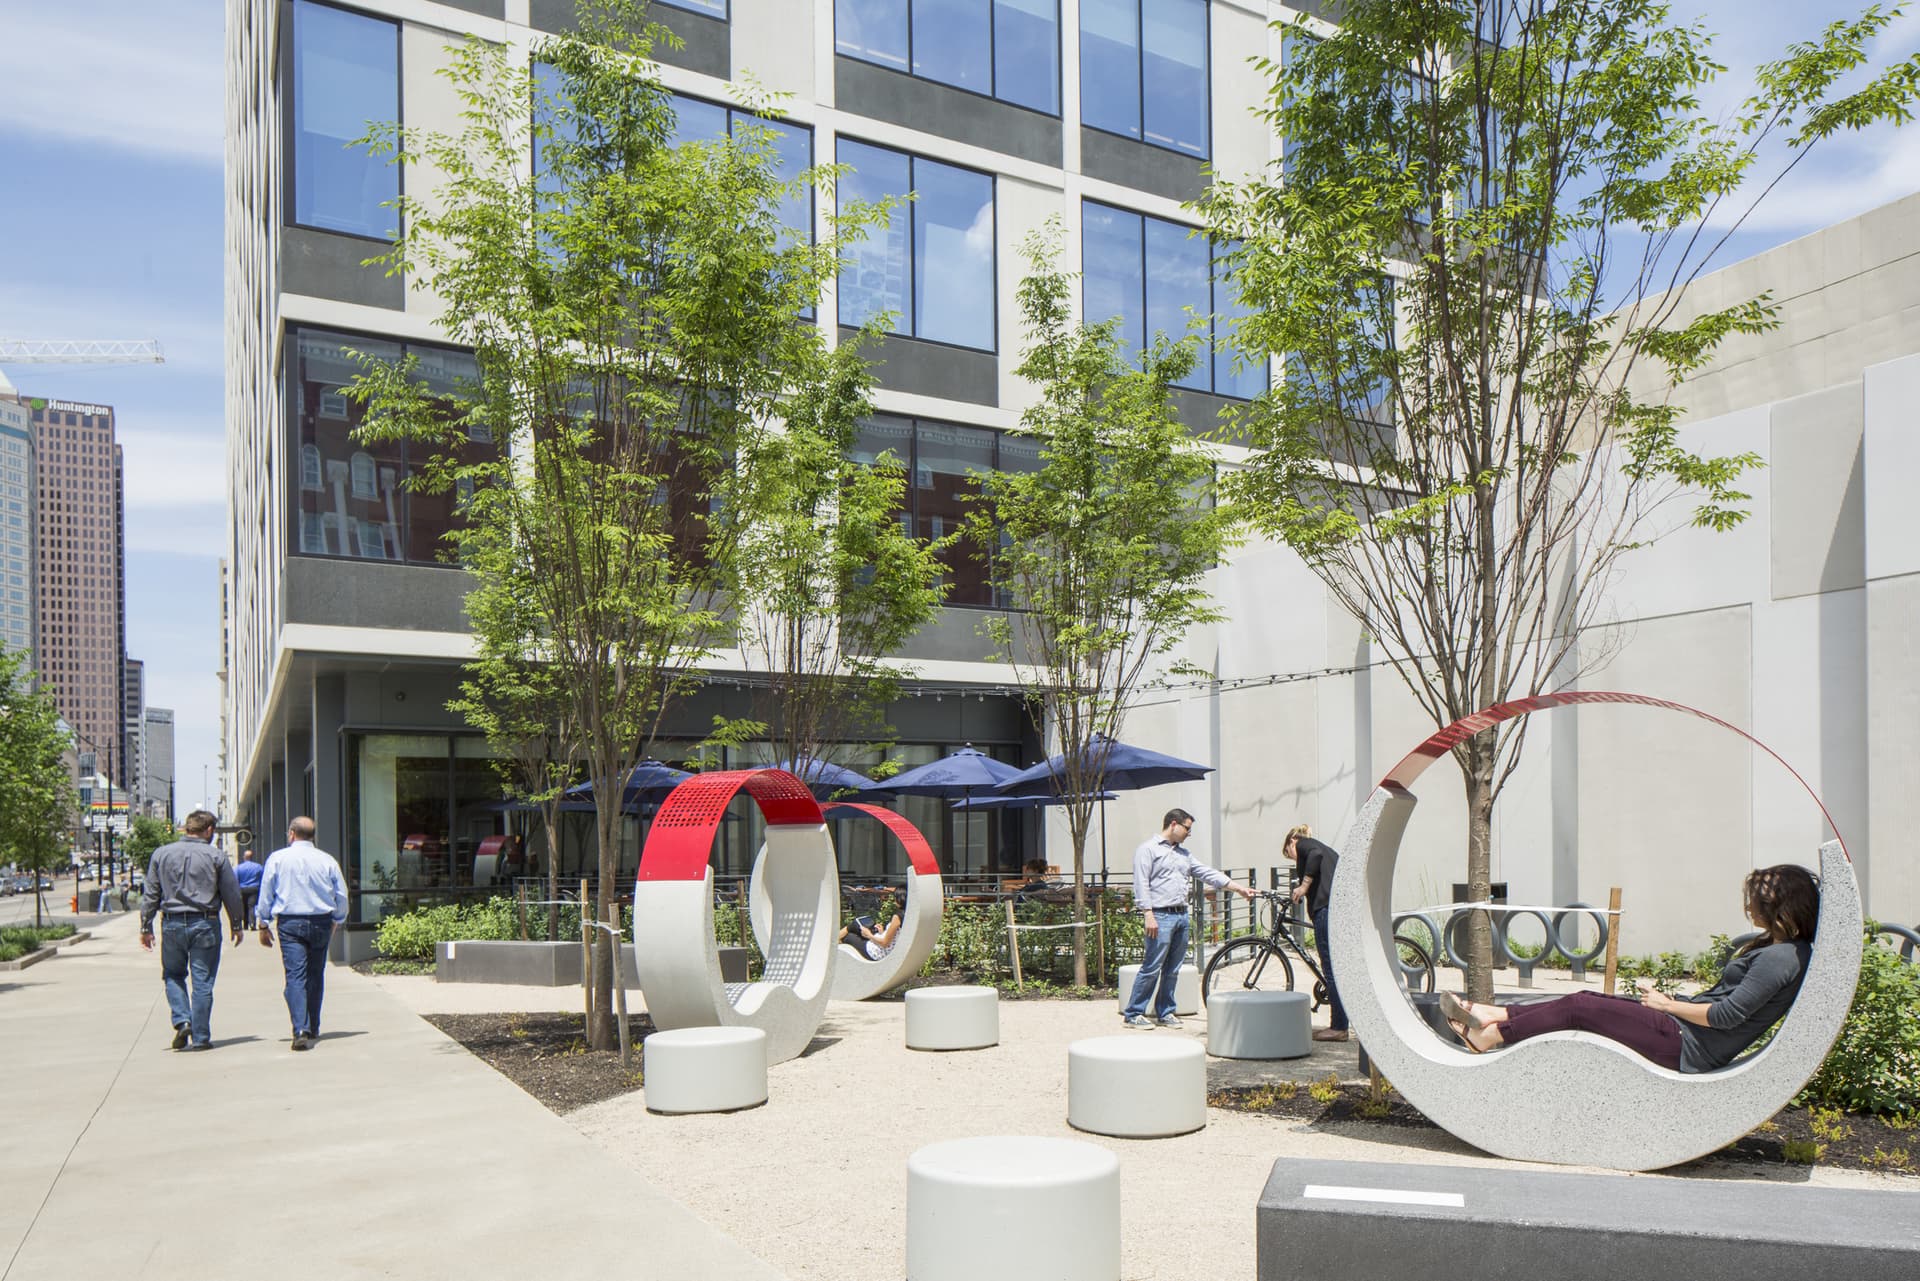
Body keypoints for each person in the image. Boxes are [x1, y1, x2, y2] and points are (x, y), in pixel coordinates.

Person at [1441, 864, 1819, 1072]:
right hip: (1685, 1034)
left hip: (1686, 1045)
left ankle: (1491, 1034)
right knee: (1586, 998)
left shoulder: (1781, 957)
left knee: (1580, 1008)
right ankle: (1495, 1014)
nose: (1749, 905)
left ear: (1778, 906)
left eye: (1755, 899)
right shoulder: (1779, 948)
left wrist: (1667, 1006)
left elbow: (1726, 1015)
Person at [1124, 809, 1258, 1029]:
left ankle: (1165, 1011)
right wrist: (1148, 914)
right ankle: (1133, 1013)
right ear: (1174, 824)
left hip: (1181, 915)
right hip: (1160, 914)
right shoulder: (1147, 850)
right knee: (1152, 966)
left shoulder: (1184, 855)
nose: (1189, 833)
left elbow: (1207, 872)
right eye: (1187, 828)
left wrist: (1238, 888)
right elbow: (1141, 883)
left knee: (1173, 968)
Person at [138, 810, 244, 1051]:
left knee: (173, 975)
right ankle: (200, 1037)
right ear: (208, 830)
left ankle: (183, 1019)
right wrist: (237, 924)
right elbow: (231, 892)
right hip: (204, 922)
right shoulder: (216, 856)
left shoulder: (161, 854)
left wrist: (146, 925)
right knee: (202, 982)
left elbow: (151, 893)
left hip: (172, 922)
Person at [255, 816, 350, 1052]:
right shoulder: (327, 860)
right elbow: (342, 894)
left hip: (290, 922)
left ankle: (300, 1028)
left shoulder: (277, 859)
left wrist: (263, 923)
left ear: (291, 833)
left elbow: (266, 892)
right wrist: (338, 919)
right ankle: (313, 1025)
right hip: (321, 921)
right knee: (316, 974)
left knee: (295, 976)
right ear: (312, 835)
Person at [1283, 823, 1349, 1042]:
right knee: (1335, 967)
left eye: (1289, 854)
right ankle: (1339, 1024)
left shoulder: (1305, 844)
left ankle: (1339, 1027)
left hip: (1326, 910)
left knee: (1330, 967)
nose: (1294, 859)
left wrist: (1303, 886)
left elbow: (1315, 855)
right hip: (1336, 908)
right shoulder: (1324, 849)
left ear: (1292, 842)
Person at [234, 849, 264, 928]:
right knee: (252, 906)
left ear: (244, 857)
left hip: (242, 889)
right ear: (252, 857)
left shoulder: (239, 868)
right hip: (254, 888)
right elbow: (262, 878)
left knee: (243, 906)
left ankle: (245, 924)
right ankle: (252, 923)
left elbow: (235, 879)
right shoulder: (258, 867)